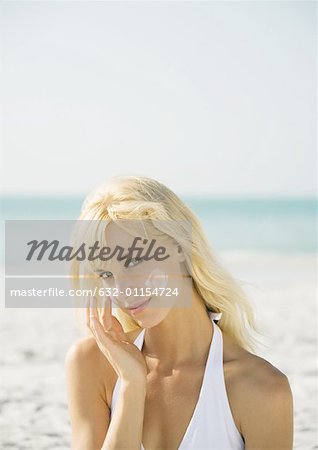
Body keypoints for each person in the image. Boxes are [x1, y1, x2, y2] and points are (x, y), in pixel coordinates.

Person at [65, 175, 293, 450]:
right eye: (106, 273)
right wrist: (131, 386)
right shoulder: (92, 364)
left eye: (134, 260)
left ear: (182, 249)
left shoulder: (260, 389)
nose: (123, 289)